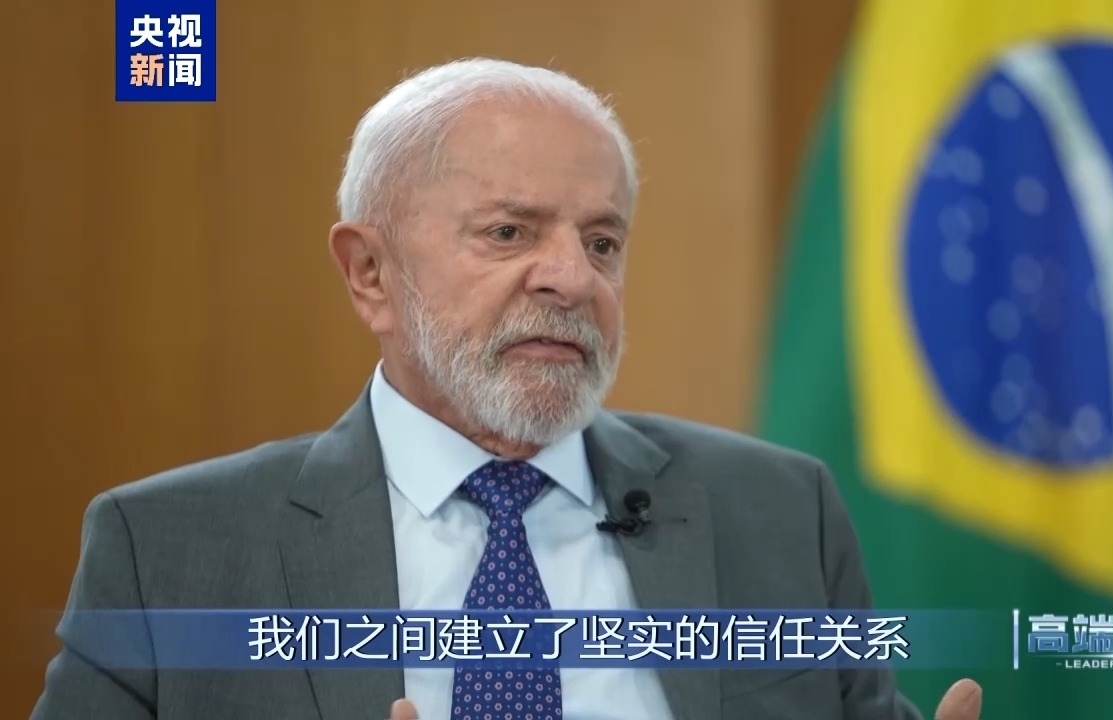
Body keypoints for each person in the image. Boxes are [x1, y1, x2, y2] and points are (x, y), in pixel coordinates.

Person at [31, 57, 984, 720]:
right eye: (508, 233)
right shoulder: (170, 551)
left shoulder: (777, 509)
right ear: (370, 273)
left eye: (602, 242)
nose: (572, 279)